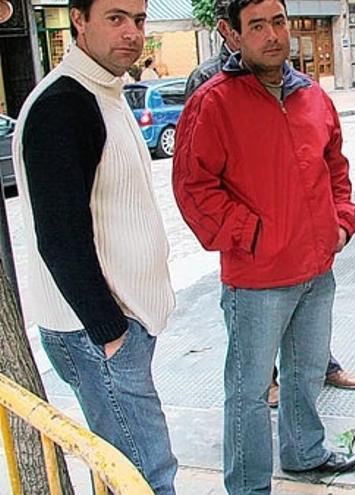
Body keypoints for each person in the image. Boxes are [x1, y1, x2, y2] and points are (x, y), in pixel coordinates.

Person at [173, 0, 355, 490]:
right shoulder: (214, 101)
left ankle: (304, 452)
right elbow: (194, 188)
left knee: (305, 374)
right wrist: (252, 236)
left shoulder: (313, 96)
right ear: (231, 35)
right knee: (249, 392)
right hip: (257, 280)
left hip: (317, 271)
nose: (272, 35)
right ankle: (249, 486)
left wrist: (340, 222)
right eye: (256, 25)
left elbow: (335, 168)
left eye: (277, 22)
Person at [11, 0, 178, 492]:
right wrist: (110, 331)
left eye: (140, 20)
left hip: (115, 326)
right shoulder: (65, 103)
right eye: (116, 18)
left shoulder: (104, 90)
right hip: (96, 330)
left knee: (134, 473)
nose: (132, 32)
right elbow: (60, 238)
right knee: (146, 477)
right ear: (78, 21)